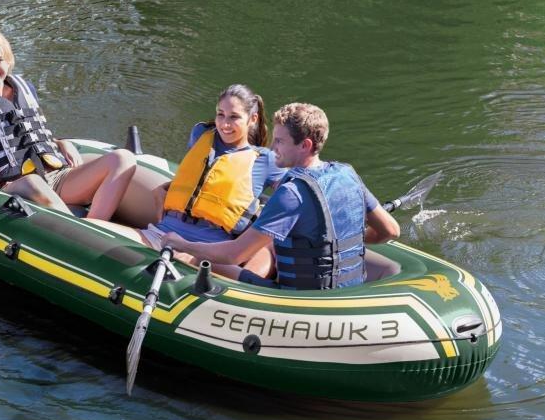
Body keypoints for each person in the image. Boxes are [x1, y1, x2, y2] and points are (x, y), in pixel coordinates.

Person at [162, 102, 401, 289]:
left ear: (305, 145)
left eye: (279, 141)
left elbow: (234, 254)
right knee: (275, 246)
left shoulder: (291, 193)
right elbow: (390, 230)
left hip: (299, 300)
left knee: (203, 261)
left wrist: (182, 244)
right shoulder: (348, 174)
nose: (272, 148)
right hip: (346, 291)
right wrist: (335, 242)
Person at [0, 29, 136, 220]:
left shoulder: (25, 89)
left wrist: (60, 143)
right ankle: (82, 231)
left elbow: (30, 134)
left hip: (55, 176)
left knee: (122, 158)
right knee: (33, 182)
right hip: (15, 185)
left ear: (9, 61)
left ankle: (97, 226)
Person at [92, 84, 285, 275]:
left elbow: (293, 198)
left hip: (209, 253)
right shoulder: (200, 134)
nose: (224, 124)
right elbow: (199, 181)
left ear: (253, 119)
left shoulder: (267, 160)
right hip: (161, 235)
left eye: (234, 117)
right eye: (220, 114)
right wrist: (165, 188)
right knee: (92, 230)